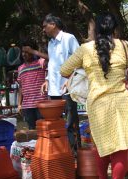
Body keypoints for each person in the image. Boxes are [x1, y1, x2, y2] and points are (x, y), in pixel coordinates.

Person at [60, 13, 128, 179]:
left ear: (96, 30)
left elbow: (64, 70)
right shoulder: (125, 46)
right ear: (115, 29)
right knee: (121, 148)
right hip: (123, 103)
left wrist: (83, 71)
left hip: (98, 105)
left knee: (102, 147)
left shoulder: (85, 49)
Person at [40, 14, 81, 151]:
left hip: (68, 88)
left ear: (53, 24)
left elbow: (80, 60)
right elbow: (53, 63)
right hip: (54, 88)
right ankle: (60, 150)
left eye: (45, 26)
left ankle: (74, 151)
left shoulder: (69, 38)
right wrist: (46, 80)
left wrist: (70, 80)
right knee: (56, 121)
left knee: (70, 121)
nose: (44, 30)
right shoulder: (51, 43)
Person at [17, 40, 48, 129]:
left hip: (41, 104)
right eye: (23, 52)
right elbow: (21, 87)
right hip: (27, 105)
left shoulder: (41, 63)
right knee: (32, 130)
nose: (24, 54)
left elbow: (51, 58)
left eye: (27, 52)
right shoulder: (20, 68)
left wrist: (34, 51)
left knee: (43, 129)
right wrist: (19, 104)